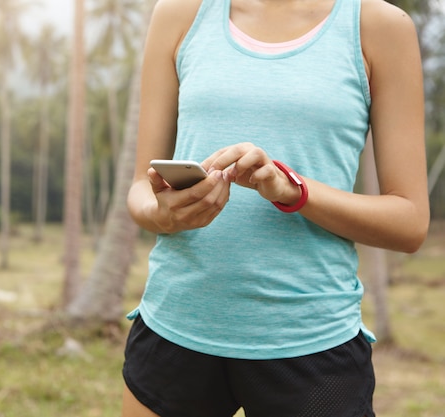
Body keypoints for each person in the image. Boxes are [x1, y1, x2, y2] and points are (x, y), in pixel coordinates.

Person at [123, 0, 430, 416]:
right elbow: (143, 184)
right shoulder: (179, 13)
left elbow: (409, 222)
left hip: (312, 345)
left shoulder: (379, 26)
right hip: (175, 327)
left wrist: (294, 191)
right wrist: (159, 214)